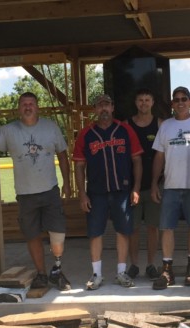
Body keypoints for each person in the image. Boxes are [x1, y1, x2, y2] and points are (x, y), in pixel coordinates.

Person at [0, 92, 72, 291]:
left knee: (58, 234)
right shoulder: (9, 131)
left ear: (38, 107)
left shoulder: (51, 128)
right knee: (32, 235)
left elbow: (63, 155)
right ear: (19, 108)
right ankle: (42, 274)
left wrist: (67, 184)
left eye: (32, 104)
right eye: (24, 104)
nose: (28, 107)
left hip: (50, 191)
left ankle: (57, 269)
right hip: (26, 195)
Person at [73, 94, 143, 290]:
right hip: (96, 192)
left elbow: (137, 160)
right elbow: (79, 166)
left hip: (122, 190)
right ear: (95, 109)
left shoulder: (125, 130)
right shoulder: (86, 134)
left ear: (113, 107)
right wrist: (82, 193)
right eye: (99, 105)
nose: (103, 109)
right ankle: (96, 274)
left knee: (123, 231)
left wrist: (136, 188)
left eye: (107, 105)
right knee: (95, 232)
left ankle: (121, 272)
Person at [150, 86, 190, 290]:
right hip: (171, 187)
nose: (181, 102)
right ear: (172, 104)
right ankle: (167, 271)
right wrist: (155, 183)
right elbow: (159, 156)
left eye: (184, 99)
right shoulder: (166, 126)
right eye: (177, 100)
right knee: (166, 228)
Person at [124, 88, 163, 280]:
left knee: (152, 227)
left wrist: (158, 182)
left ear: (153, 102)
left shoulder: (160, 125)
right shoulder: (126, 125)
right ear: (136, 103)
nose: (144, 103)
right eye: (140, 100)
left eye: (147, 100)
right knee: (133, 228)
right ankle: (133, 265)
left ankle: (151, 264)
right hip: (131, 186)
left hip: (155, 184)